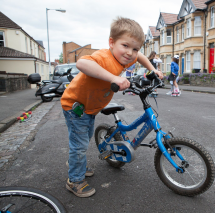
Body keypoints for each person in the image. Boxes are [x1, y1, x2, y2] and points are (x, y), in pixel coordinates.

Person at [61, 17, 163, 198]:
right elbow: (82, 63)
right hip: (76, 106)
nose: (130, 53)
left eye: (135, 48)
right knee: (80, 145)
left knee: (83, 139)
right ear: (111, 43)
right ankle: (74, 180)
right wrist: (114, 78)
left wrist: (152, 69)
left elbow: (139, 56)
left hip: (91, 108)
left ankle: (78, 164)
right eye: (125, 45)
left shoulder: (125, 57)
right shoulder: (104, 56)